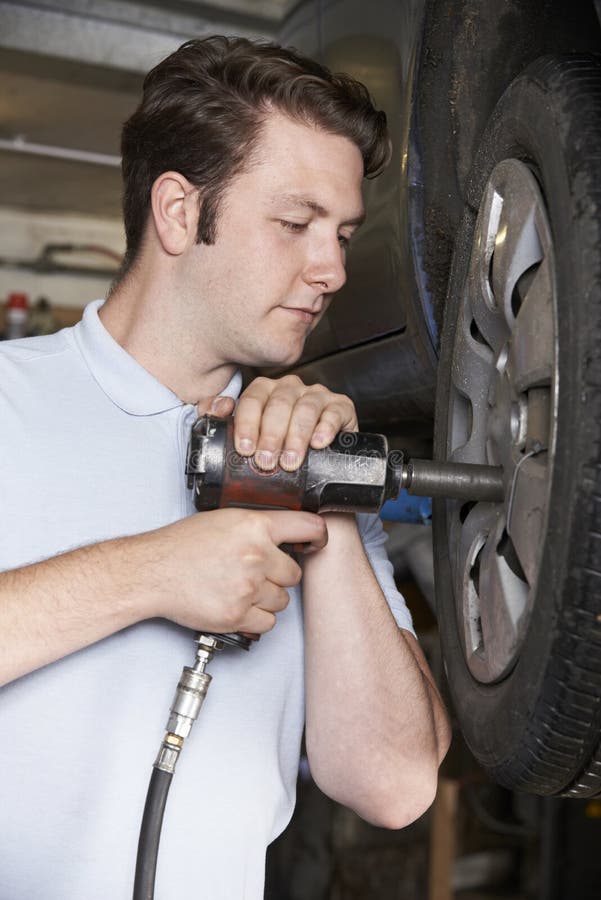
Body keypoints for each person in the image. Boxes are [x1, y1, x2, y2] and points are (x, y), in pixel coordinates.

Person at [0, 36, 450, 899]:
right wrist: (151, 570)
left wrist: (330, 508)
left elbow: (393, 785)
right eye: (294, 224)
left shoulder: (303, 451)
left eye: (343, 234)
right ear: (177, 212)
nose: (331, 271)